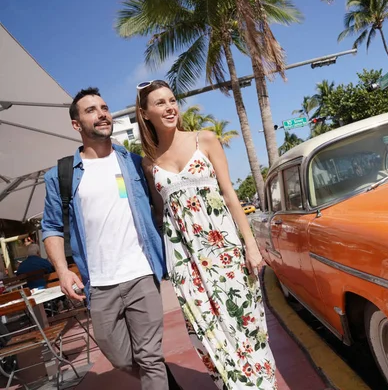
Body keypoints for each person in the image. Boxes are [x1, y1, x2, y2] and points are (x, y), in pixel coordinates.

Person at [135, 80, 277, 389]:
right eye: (159, 103)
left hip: (224, 252)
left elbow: (229, 195)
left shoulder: (206, 140)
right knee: (208, 334)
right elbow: (162, 216)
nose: (170, 107)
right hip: (186, 265)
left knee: (247, 326)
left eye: (172, 100)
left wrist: (251, 246)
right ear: (145, 113)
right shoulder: (149, 164)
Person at [41, 87, 181, 390]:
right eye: (91, 110)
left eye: (104, 107)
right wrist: (63, 271)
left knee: (150, 356)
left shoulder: (134, 162)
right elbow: (51, 228)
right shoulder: (61, 175)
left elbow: (160, 209)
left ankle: (156, 376)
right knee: (120, 357)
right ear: (76, 125)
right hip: (100, 283)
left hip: (142, 273)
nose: (102, 113)